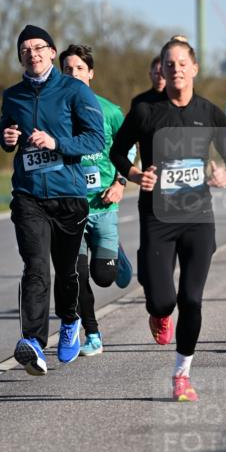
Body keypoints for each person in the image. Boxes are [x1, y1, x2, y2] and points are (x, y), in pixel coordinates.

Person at [110, 38, 226, 402]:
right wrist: (136, 176)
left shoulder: (210, 113)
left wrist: (225, 176)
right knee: (163, 301)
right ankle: (157, 307)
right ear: (162, 71)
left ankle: (182, 374)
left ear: (194, 68)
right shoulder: (144, 111)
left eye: (182, 63)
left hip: (198, 217)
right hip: (157, 218)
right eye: (169, 64)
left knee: (192, 300)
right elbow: (116, 152)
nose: (176, 69)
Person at [0, 25, 104, 375]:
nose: (33, 53)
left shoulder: (74, 90)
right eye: (25, 49)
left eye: (39, 47)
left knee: (67, 271)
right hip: (29, 194)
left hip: (68, 195)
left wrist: (57, 143)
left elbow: (94, 141)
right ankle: (32, 342)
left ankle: (71, 321)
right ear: (20, 56)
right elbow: (5, 133)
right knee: (36, 267)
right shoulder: (13, 95)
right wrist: (7, 135)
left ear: (52, 52)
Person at [59, 44, 133, 357]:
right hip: (69, 206)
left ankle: (114, 253)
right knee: (75, 276)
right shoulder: (55, 110)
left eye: (79, 69)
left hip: (104, 203)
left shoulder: (110, 111)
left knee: (103, 277)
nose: (74, 74)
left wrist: (121, 182)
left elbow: (129, 148)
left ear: (91, 73)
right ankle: (92, 334)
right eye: (67, 69)